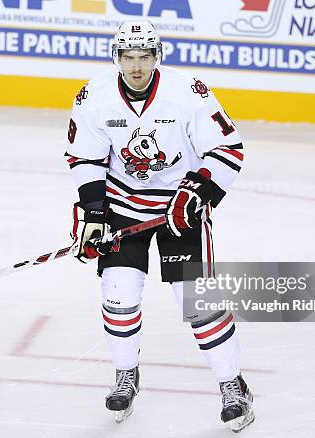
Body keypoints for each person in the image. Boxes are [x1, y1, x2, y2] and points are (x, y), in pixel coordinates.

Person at [65, 20, 254, 432]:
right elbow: (84, 158)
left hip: (178, 208)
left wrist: (196, 193)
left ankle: (233, 386)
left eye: (144, 56)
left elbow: (228, 148)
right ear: (116, 57)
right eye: (128, 57)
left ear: (157, 56)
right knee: (119, 294)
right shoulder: (93, 97)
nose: (136, 66)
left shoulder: (187, 93)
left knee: (198, 302)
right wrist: (94, 213)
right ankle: (125, 376)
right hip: (122, 207)